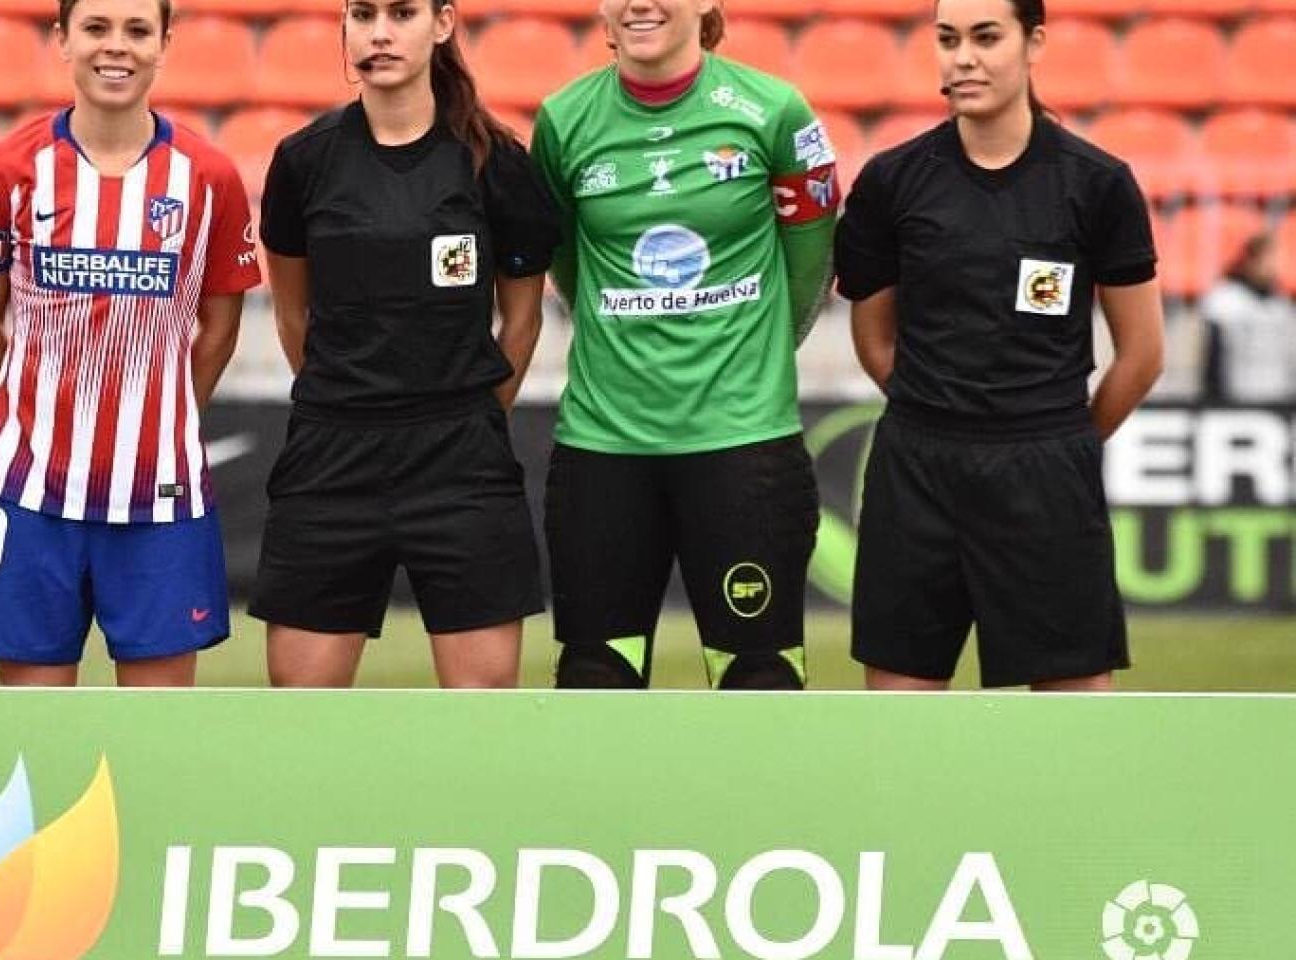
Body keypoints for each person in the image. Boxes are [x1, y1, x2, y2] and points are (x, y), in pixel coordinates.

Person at [834, 0, 1165, 691]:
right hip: (916, 470)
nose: (964, 57)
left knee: (1071, 719)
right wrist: (945, 417)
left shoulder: (1095, 183)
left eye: (987, 37)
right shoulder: (893, 180)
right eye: (948, 39)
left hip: (1047, 473)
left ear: (1033, 43)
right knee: (898, 715)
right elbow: (874, 339)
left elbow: (1141, 355)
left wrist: (1061, 441)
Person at [248, 0, 560, 688]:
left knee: (480, 721)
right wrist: (349, 398)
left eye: (402, 13)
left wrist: (472, 414)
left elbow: (523, 321)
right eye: (363, 15)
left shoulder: (496, 161)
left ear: (443, 24)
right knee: (301, 715)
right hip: (331, 459)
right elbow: (293, 314)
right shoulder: (304, 161)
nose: (380, 33)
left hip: (461, 461)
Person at [529, 0, 834, 690]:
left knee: (760, 678)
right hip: (604, 447)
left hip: (744, 445)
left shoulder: (776, 112)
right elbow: (567, 267)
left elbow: (811, 264)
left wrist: (751, 365)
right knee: (594, 675)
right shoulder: (561, 121)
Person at [0, 0, 260, 687]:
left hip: (160, 498)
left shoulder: (208, 178)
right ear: (63, 40)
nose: (115, 47)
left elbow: (219, 326)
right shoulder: (6, 170)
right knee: (34, 735)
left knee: (150, 736)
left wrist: (168, 418)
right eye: (96, 28)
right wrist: (19, 425)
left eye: (136, 30)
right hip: (32, 494)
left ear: (164, 44)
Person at [1199, 230, 1292, 404]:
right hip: (1238, 399)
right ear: (1251, 260)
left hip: (1278, 399)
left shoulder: (1281, 304)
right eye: (1268, 260)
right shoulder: (1224, 300)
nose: (1273, 267)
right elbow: (1214, 358)